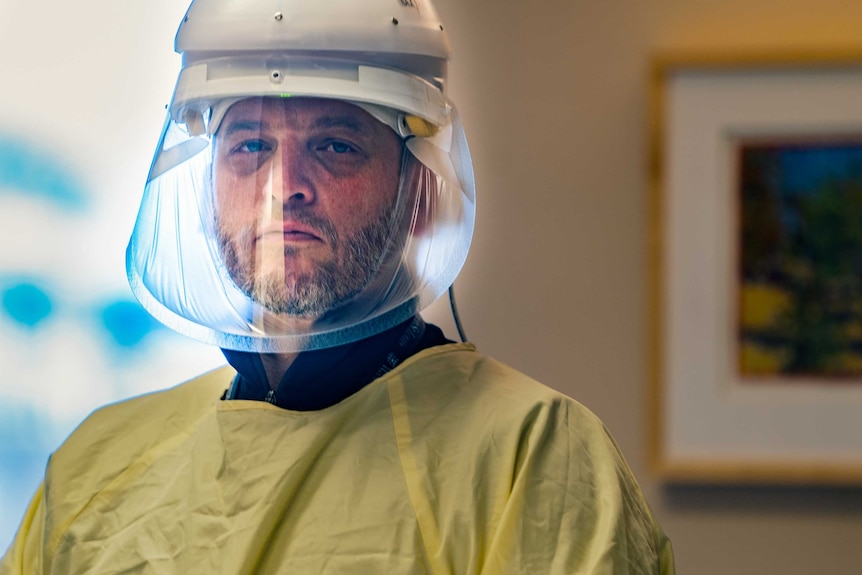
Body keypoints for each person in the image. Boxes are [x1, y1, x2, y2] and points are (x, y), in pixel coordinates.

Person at [1, 0, 675, 573]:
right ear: (208, 191)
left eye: (335, 144)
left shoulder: (529, 460)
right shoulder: (96, 467)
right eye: (250, 145)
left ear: (419, 188)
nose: (282, 184)